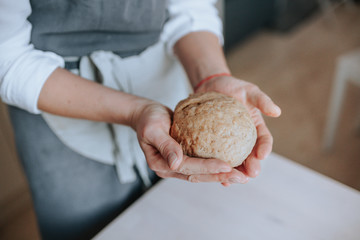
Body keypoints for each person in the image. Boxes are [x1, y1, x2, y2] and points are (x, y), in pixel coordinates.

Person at [0, 0, 281, 239]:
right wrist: (135, 111)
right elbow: (7, 57)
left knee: (179, 219)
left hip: (162, 80)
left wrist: (212, 77)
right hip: (55, 97)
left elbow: (187, 5)